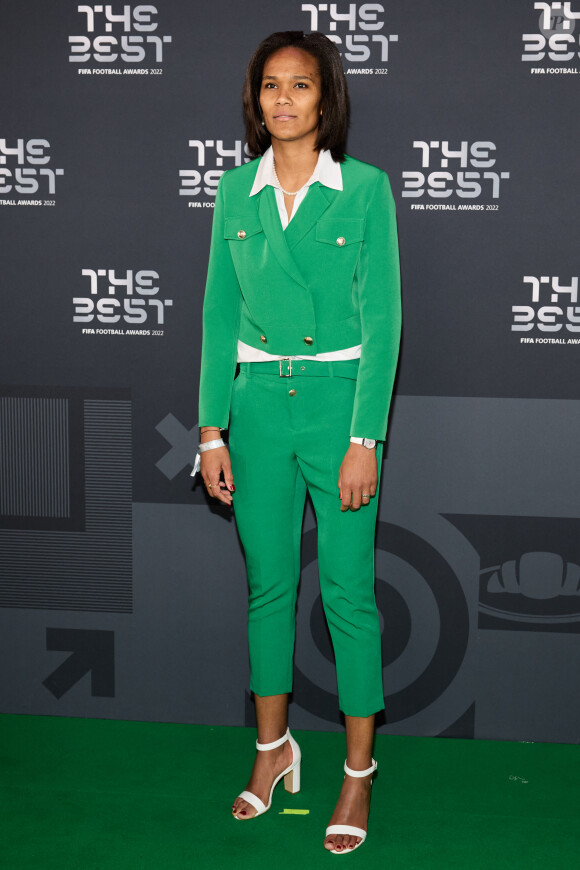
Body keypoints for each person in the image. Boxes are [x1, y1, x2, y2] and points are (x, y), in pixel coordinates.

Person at [197, 30, 401, 854]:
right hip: (256, 411)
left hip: (336, 409)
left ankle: (358, 773)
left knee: (348, 595)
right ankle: (272, 753)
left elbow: (383, 321)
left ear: (327, 100)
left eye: (302, 86)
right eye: (271, 85)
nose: (284, 98)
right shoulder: (233, 191)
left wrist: (367, 436)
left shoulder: (364, 190)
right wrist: (212, 430)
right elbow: (217, 316)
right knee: (267, 592)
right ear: (257, 100)